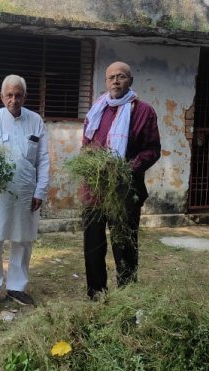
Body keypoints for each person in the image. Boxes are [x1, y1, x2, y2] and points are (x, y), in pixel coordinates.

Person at [81, 61, 161, 300]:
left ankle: (126, 296)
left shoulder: (143, 111)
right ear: (106, 82)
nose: (115, 81)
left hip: (125, 191)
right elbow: (86, 144)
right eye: (111, 77)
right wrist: (88, 159)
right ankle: (96, 294)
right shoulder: (97, 109)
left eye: (121, 77)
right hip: (94, 191)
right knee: (93, 246)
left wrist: (128, 167)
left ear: (130, 81)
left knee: (124, 246)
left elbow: (153, 150)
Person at [0, 75, 50, 309]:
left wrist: (41, 190)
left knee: (22, 241)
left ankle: (17, 287)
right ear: (1, 96)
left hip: (26, 190)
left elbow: (44, 159)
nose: (14, 100)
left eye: (18, 95)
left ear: (25, 97)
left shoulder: (35, 120)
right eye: (9, 95)